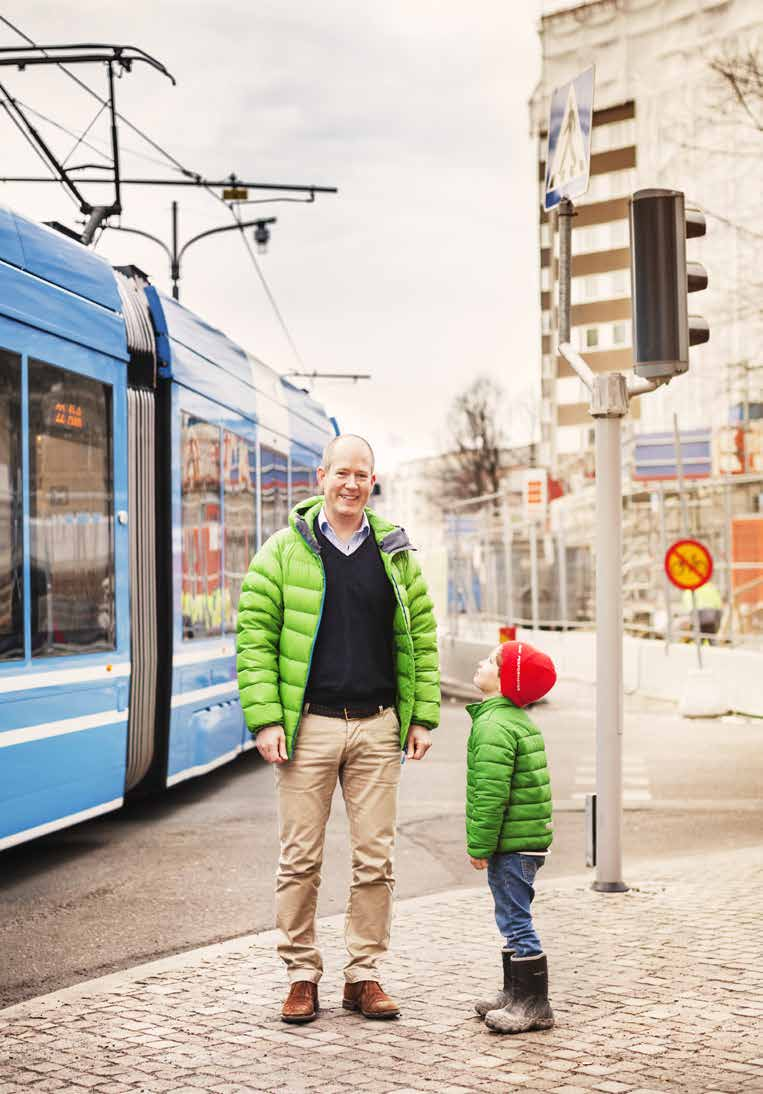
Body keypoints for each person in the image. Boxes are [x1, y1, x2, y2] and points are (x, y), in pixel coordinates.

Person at [236, 434, 440, 1024]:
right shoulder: (282, 552)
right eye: (342, 473)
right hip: (309, 729)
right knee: (300, 859)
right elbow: (255, 640)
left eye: (363, 475)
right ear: (321, 476)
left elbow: (420, 640)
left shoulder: (395, 554)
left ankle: (364, 975)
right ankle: (302, 975)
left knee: (375, 859)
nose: (352, 483)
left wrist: (421, 715)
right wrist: (267, 720)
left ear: (373, 482)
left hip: (377, 727)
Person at [466, 640, 556, 1034]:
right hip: (526, 841)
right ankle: (513, 992)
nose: (480, 663)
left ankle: (533, 1004)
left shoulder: (494, 725)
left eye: (490, 661)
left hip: (511, 844)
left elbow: (491, 794)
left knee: (516, 920)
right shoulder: (516, 720)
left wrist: (480, 846)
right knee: (509, 915)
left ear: (506, 680)